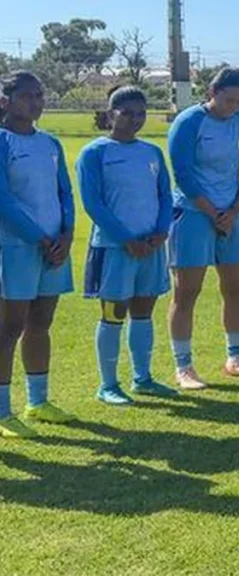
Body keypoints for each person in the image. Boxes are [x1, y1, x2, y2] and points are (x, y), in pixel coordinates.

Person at [79, 86, 179, 405]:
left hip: (151, 246)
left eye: (141, 113)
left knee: (143, 312)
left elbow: (165, 194)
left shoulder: (152, 152)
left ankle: (143, 378)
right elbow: (93, 203)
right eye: (127, 113)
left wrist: (163, 230)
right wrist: (126, 238)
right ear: (111, 115)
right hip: (114, 248)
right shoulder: (95, 153)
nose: (135, 119)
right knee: (113, 313)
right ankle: (108, 385)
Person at [167, 68, 239, 389]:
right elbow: (182, 172)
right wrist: (212, 211)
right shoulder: (189, 121)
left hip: (233, 215)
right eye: (228, 99)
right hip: (194, 213)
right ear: (212, 92)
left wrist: (234, 211)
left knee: (235, 288)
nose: (233, 106)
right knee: (186, 292)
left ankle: (235, 358)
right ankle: (184, 367)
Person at [0, 71, 75, 438]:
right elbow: (3, 200)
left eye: (40, 95)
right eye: (28, 96)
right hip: (15, 247)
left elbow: (65, 193)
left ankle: (38, 401)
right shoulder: (3, 141)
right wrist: (40, 238)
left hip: (54, 247)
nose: (36, 102)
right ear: (6, 101)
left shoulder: (50, 143)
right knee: (8, 327)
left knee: (40, 322)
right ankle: (2, 412)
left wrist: (67, 233)